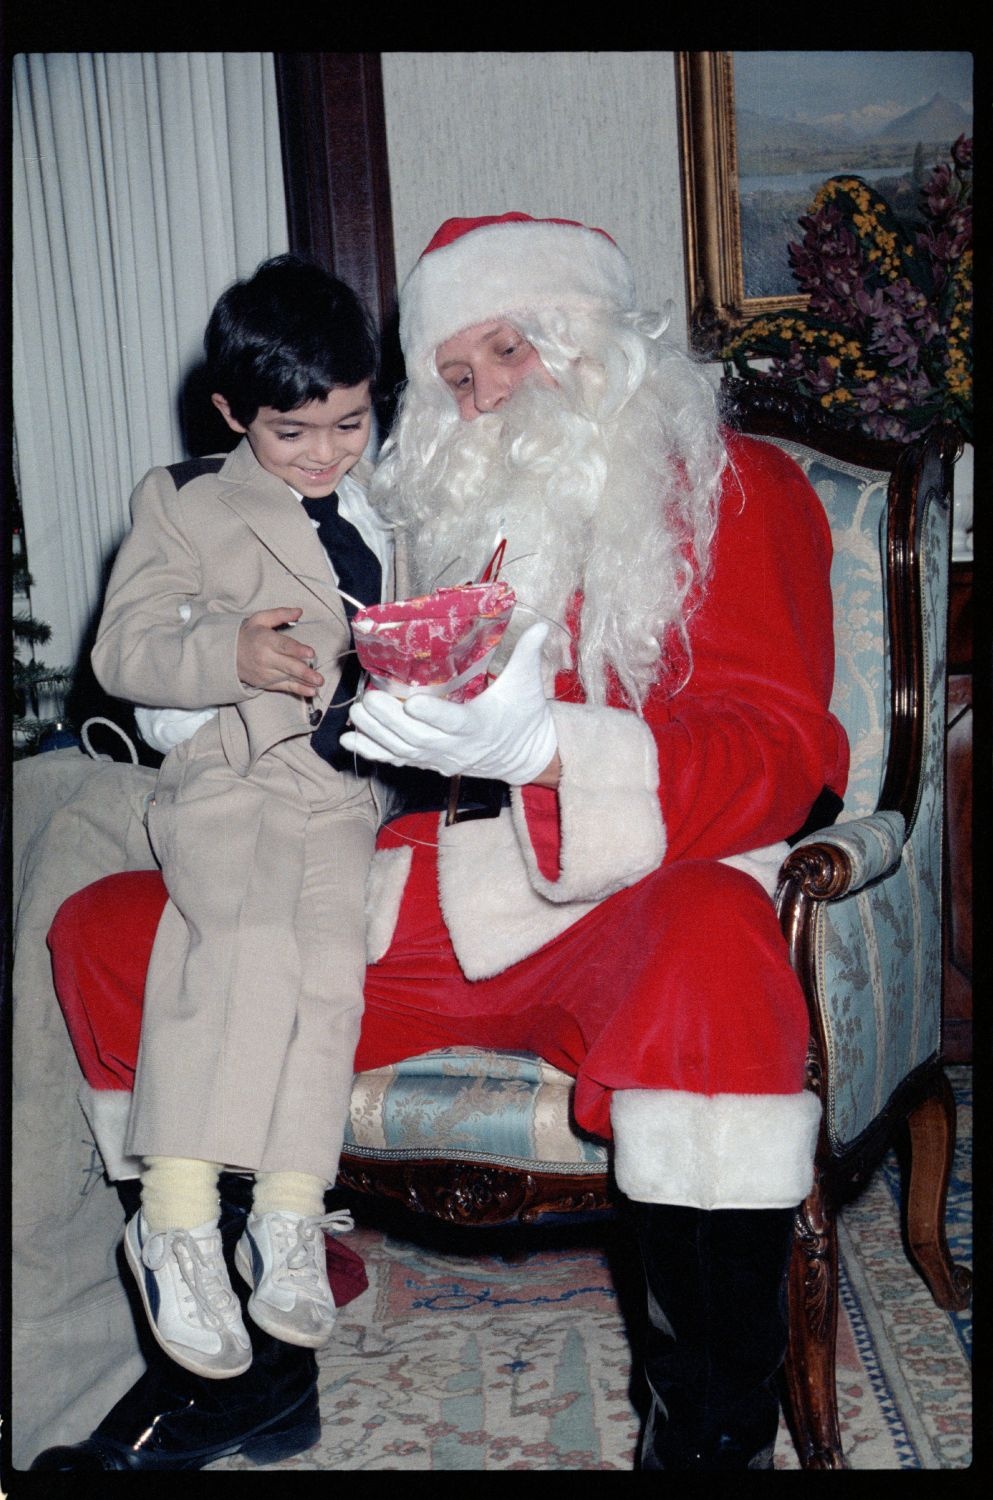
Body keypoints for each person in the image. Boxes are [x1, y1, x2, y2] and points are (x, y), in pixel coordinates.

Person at [33, 213, 848, 1471]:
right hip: (422, 896)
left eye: (511, 351)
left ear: (595, 344)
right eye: (457, 377)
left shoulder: (742, 490)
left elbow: (780, 751)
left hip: (630, 903)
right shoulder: (420, 514)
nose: (487, 400)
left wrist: (546, 755)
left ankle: (708, 1432)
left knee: (717, 954)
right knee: (114, 936)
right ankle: (243, 1373)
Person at [82, 254, 391, 1384]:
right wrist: (230, 654)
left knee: (329, 969)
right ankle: (173, 1216)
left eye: (348, 425)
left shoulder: (385, 501)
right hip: (226, 768)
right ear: (231, 416)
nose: (323, 454)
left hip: (344, 781)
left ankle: (291, 1212)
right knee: (243, 947)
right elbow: (121, 649)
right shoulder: (185, 497)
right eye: (290, 433)